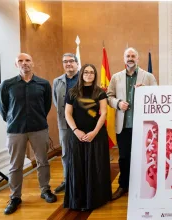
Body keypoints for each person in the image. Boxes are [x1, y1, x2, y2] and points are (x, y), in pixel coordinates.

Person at [0, 53, 57, 215]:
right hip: (15, 130)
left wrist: (36, 118)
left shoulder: (43, 84)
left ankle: (45, 190)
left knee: (43, 161)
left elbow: (46, 106)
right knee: (15, 166)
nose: (24, 63)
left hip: (39, 128)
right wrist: (13, 120)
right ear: (16, 65)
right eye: (20, 61)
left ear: (33, 63)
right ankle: (15, 197)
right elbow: (3, 109)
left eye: (28, 60)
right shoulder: (7, 85)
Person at [107, 47, 157, 200]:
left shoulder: (148, 76)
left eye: (133, 56)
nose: (130, 58)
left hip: (143, 126)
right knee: (124, 157)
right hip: (123, 125)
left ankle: (143, 185)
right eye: (127, 56)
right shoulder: (116, 77)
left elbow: (157, 96)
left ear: (138, 59)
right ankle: (123, 185)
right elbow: (109, 96)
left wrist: (146, 91)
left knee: (144, 157)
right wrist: (118, 103)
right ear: (124, 59)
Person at [64, 64, 112, 210]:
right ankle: (78, 200)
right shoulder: (72, 92)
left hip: (96, 135)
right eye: (86, 72)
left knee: (95, 167)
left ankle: (95, 200)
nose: (89, 74)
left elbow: (104, 113)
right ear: (81, 74)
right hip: (77, 135)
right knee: (77, 167)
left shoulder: (99, 92)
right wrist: (76, 130)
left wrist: (94, 132)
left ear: (95, 75)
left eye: (92, 72)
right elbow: (67, 113)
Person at [52, 53, 80, 194]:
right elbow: (57, 102)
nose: (68, 64)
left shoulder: (85, 78)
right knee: (66, 154)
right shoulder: (57, 81)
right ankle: (66, 180)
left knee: (83, 152)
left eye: (71, 61)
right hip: (64, 123)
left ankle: (82, 181)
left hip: (83, 124)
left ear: (77, 63)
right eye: (65, 62)